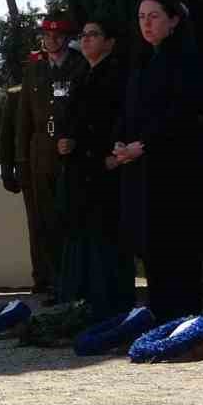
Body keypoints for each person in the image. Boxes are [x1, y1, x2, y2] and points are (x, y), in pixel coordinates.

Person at [115, 0, 203, 321]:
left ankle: (185, 320)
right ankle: (160, 316)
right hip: (143, 171)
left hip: (176, 169)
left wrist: (144, 144)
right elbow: (130, 111)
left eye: (154, 16)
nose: (146, 23)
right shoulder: (143, 61)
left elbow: (184, 114)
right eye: (141, 17)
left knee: (178, 246)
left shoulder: (187, 60)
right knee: (153, 247)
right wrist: (120, 141)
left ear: (173, 21)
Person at [56, 18, 134, 316]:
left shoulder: (118, 74)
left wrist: (116, 154)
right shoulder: (80, 74)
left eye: (94, 35)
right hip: (80, 170)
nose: (86, 40)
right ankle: (82, 302)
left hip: (106, 166)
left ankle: (109, 304)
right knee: (81, 237)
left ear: (110, 42)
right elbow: (70, 118)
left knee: (107, 239)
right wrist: (64, 141)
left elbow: (123, 117)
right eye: (84, 35)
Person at [18, 13, 88, 293]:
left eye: (57, 35)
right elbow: (24, 119)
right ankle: (51, 280)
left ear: (68, 38)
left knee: (71, 219)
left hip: (71, 156)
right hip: (41, 155)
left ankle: (74, 280)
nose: (51, 40)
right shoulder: (35, 69)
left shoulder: (79, 66)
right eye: (46, 35)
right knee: (44, 221)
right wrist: (21, 160)